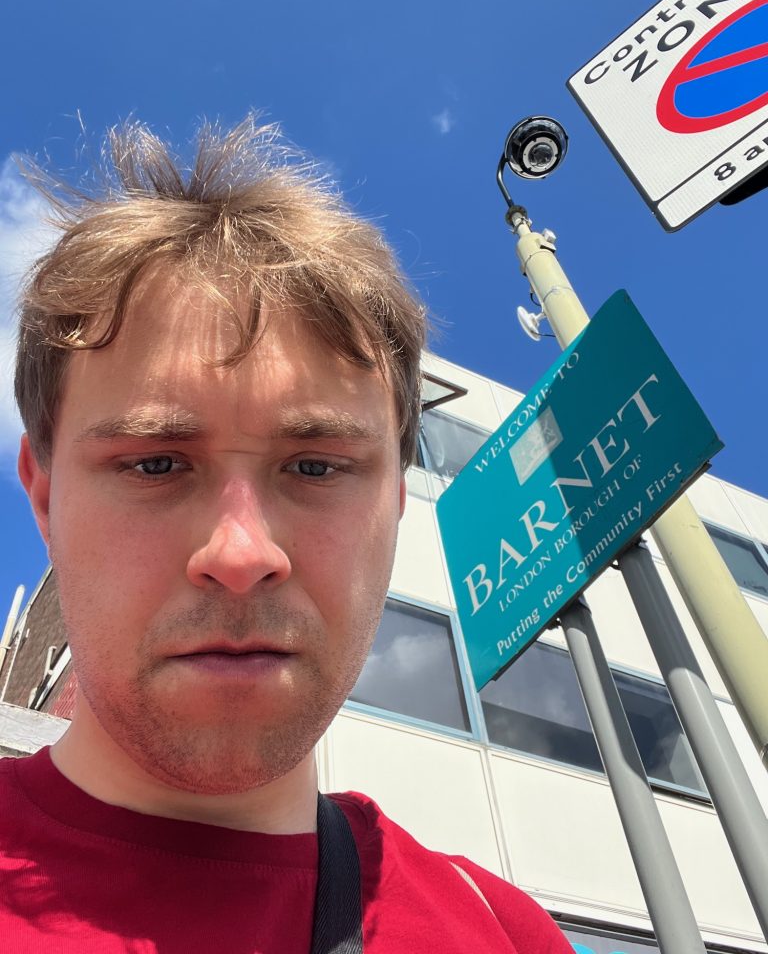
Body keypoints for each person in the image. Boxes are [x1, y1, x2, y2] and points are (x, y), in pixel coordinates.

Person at [2, 118, 573, 953]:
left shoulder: (502, 931)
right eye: (156, 464)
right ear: (45, 498)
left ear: (397, 501)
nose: (241, 555)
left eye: (317, 467)